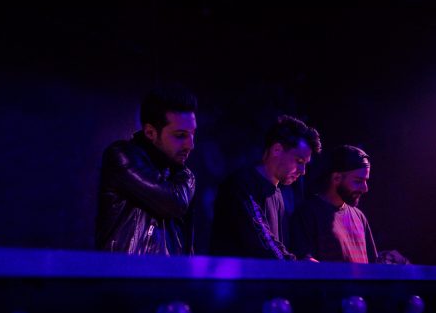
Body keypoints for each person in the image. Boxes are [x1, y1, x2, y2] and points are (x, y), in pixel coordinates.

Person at [96, 85, 197, 255]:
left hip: (169, 272)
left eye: (192, 134)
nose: (190, 145)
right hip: (126, 271)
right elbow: (174, 202)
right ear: (150, 132)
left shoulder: (179, 175)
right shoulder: (121, 156)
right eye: (180, 135)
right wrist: (186, 175)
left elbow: (187, 244)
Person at [209, 115, 322, 260]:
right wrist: (296, 265)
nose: (303, 171)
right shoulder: (242, 184)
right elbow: (263, 242)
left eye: (305, 164)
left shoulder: (277, 194)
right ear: (277, 149)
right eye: (299, 161)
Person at [291, 145, 409, 264]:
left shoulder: (359, 217)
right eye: (358, 181)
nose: (365, 188)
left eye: (365, 181)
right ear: (336, 178)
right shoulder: (307, 213)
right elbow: (303, 263)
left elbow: (372, 265)